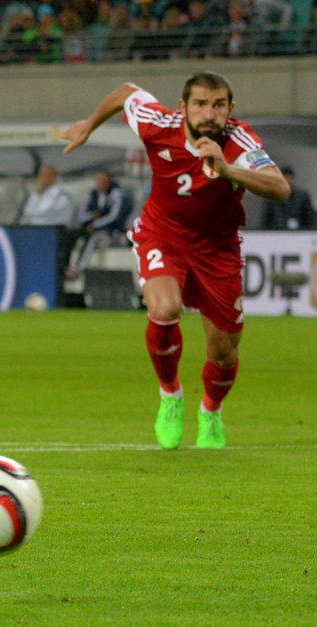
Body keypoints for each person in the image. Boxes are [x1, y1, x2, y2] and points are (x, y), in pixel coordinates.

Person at [62, 71, 289, 450]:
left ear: (230, 109)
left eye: (219, 105)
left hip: (218, 250)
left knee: (223, 351)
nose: (209, 114)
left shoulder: (238, 140)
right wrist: (88, 125)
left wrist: (228, 170)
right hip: (163, 235)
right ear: (183, 106)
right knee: (165, 309)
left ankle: (211, 410)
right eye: (200, 104)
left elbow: (280, 188)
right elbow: (125, 92)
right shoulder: (158, 124)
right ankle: (170, 395)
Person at [67, 170, 131, 277]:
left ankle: (79, 268)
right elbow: (82, 216)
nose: (101, 184)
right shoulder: (94, 195)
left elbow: (114, 216)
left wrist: (95, 224)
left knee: (93, 238)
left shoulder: (117, 195)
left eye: (104, 181)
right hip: (91, 229)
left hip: (111, 231)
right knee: (70, 235)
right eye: (99, 181)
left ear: (109, 181)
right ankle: (67, 265)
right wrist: (92, 216)